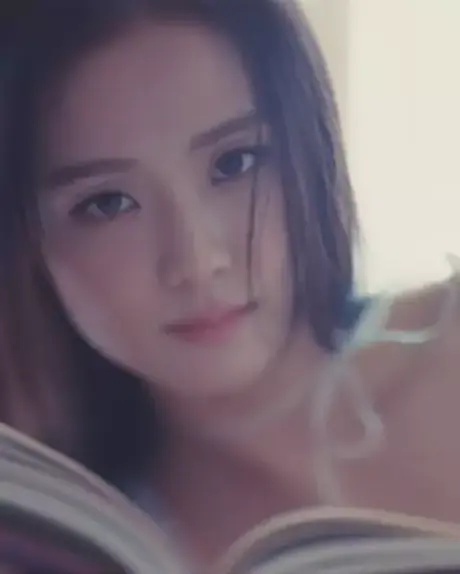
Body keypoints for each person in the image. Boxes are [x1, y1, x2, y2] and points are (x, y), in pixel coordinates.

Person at [1, 0, 460, 569]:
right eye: (107, 203)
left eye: (236, 162)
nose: (198, 261)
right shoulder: (77, 535)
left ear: (306, 144)